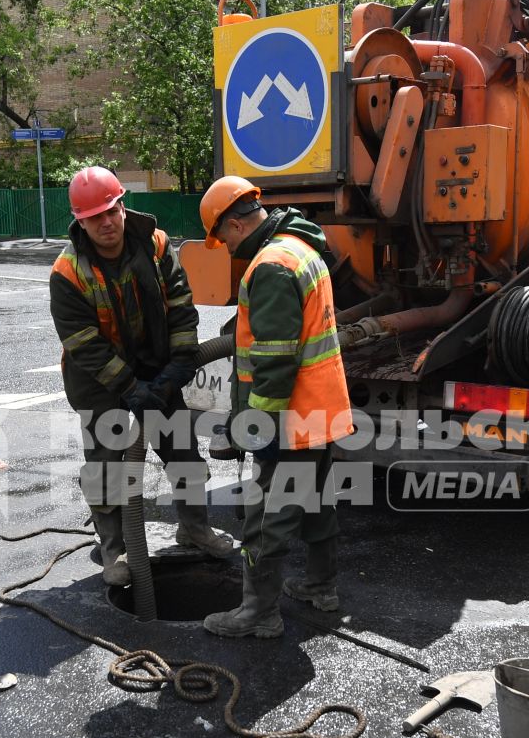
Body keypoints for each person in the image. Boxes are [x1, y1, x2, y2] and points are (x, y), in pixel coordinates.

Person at [51, 165, 235, 585]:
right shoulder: (68, 273)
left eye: (111, 210)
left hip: (157, 365)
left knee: (183, 451)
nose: (107, 222)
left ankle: (193, 527)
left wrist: (178, 366)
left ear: (122, 205)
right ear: (80, 221)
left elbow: (181, 304)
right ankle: (115, 549)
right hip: (97, 379)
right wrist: (130, 389)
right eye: (95, 216)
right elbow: (84, 343)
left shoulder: (155, 243)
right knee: (107, 465)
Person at [197, 176, 355, 638]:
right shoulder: (303, 248)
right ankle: (321, 587)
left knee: (268, 514)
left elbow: (274, 357)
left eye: (221, 236)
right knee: (317, 499)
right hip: (323, 410)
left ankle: (258, 613)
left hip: (291, 419)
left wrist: (256, 427)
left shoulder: (270, 266)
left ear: (234, 223)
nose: (224, 246)